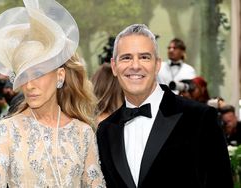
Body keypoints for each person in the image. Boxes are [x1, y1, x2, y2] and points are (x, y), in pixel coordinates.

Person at [0, 0, 105, 187]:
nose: (29, 85)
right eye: (24, 76)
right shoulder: (6, 130)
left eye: (38, 73)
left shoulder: (83, 133)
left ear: (60, 76)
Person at [96, 24, 233, 188]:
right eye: (126, 57)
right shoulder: (105, 130)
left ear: (157, 65)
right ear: (114, 66)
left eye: (144, 57)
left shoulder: (200, 118)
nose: (135, 65)